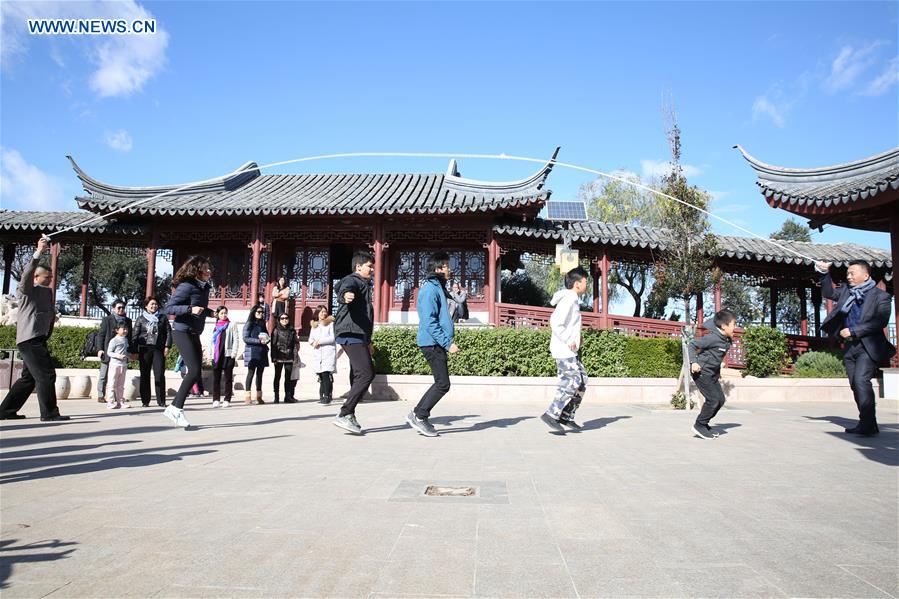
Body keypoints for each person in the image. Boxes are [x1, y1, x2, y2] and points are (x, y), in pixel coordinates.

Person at [817, 260, 896, 436]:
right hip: (850, 346)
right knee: (855, 384)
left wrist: (853, 330)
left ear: (866, 275)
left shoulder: (881, 296)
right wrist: (824, 273)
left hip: (868, 346)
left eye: (852, 273)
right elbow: (829, 292)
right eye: (847, 274)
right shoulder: (846, 292)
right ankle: (868, 422)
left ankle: (867, 424)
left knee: (861, 381)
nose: (849, 276)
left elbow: (880, 321)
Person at [0, 237, 70, 421]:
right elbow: (26, 274)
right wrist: (39, 252)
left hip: (38, 339)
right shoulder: (26, 290)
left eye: (51, 278)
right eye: (47, 277)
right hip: (30, 340)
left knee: (29, 379)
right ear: (36, 277)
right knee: (47, 375)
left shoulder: (47, 293)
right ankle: (49, 413)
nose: (50, 280)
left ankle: (5, 411)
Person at [406, 252, 459, 437]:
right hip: (432, 343)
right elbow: (429, 322)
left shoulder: (439, 287)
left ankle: (417, 414)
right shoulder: (429, 289)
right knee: (443, 383)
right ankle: (419, 416)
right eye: (445, 265)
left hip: (436, 342)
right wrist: (447, 343)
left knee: (441, 382)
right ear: (437, 269)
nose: (449, 268)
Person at [162, 256, 215, 428]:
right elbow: (169, 308)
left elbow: (199, 308)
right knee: (192, 371)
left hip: (194, 333)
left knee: (196, 372)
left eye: (209, 268)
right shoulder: (186, 286)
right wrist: (190, 309)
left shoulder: (204, 288)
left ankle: (175, 408)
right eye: (205, 268)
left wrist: (210, 312)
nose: (209, 271)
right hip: (181, 331)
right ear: (196, 270)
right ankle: (176, 408)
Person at [541, 266, 589, 433]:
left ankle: (566, 415)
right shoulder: (568, 299)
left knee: (582, 381)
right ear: (577, 284)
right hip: (563, 350)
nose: (586, 285)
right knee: (573, 381)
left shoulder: (573, 299)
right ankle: (552, 414)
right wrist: (569, 340)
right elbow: (555, 322)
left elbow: (570, 324)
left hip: (570, 350)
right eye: (585, 282)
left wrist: (577, 338)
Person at [332, 251, 375, 434]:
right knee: (366, 374)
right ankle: (345, 413)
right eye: (369, 266)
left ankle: (349, 413)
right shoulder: (354, 280)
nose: (372, 269)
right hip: (350, 332)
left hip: (358, 334)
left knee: (363, 373)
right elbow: (344, 286)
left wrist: (368, 340)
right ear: (359, 267)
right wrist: (346, 295)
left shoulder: (365, 285)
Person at [688, 309, 737, 439]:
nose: (735, 328)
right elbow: (692, 345)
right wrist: (693, 362)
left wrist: (718, 372)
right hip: (701, 372)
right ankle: (699, 424)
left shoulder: (726, 339)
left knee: (720, 400)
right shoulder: (712, 338)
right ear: (724, 326)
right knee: (713, 399)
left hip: (712, 374)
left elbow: (716, 357)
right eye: (733, 325)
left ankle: (704, 424)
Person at [131, 296, 172, 407]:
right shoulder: (140, 319)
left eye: (155, 304)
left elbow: (168, 332)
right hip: (144, 349)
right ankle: (145, 400)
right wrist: (134, 351)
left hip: (158, 349)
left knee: (159, 375)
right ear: (146, 306)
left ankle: (161, 400)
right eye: (151, 304)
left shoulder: (163, 318)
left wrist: (167, 346)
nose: (154, 306)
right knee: (144, 375)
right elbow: (135, 335)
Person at [95, 299, 133, 404]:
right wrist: (100, 349)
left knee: (118, 377)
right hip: (108, 352)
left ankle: (118, 397)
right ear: (113, 309)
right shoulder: (107, 320)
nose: (121, 309)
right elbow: (101, 335)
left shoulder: (128, 321)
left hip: (121, 354)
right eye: (119, 307)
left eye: (123, 308)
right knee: (104, 375)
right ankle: (101, 395)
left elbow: (130, 337)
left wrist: (130, 352)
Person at [209, 306, 239, 408]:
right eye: (221, 313)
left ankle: (227, 399)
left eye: (225, 313)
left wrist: (234, 354)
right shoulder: (216, 326)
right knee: (216, 378)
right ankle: (216, 399)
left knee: (228, 378)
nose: (224, 315)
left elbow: (236, 340)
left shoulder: (231, 325)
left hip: (227, 354)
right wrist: (211, 355)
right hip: (217, 355)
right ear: (218, 314)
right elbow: (211, 342)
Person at [309, 305, 337, 404]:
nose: (323, 313)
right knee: (321, 375)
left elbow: (333, 338)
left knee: (326, 374)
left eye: (325, 311)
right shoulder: (314, 325)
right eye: (321, 312)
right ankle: (322, 396)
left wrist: (319, 341)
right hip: (318, 353)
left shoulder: (330, 324)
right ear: (317, 313)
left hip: (328, 352)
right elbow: (310, 339)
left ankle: (327, 396)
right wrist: (313, 343)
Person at [242, 304, 270, 405]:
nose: (261, 314)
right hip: (252, 350)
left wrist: (267, 340)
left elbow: (267, 335)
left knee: (260, 374)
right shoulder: (249, 323)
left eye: (262, 312)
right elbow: (245, 338)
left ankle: (259, 396)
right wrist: (259, 341)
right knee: (251, 373)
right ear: (253, 312)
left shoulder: (262, 323)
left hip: (262, 351)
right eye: (258, 312)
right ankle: (247, 396)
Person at [271, 312, 298, 403]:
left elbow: (294, 344)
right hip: (279, 356)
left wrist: (295, 356)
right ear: (279, 320)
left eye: (286, 318)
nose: (284, 320)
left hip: (289, 356)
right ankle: (276, 396)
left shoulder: (292, 330)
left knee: (288, 377)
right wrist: (273, 357)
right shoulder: (276, 330)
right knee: (277, 376)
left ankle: (288, 396)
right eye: (282, 318)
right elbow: (273, 344)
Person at [105, 322, 132, 409]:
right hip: (114, 364)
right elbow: (109, 352)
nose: (125, 331)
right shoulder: (114, 340)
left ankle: (120, 402)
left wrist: (129, 356)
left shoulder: (126, 340)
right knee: (112, 383)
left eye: (126, 329)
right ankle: (110, 402)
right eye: (123, 329)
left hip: (123, 365)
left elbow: (126, 351)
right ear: (117, 330)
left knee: (121, 385)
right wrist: (118, 356)